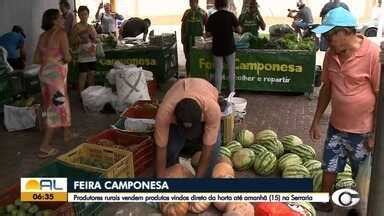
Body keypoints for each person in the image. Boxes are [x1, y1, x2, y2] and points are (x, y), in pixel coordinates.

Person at [309, 7, 380, 212]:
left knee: (362, 175)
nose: (327, 39)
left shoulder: (372, 55)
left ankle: (361, 209)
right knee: (329, 165)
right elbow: (327, 89)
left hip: (362, 131)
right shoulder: (331, 55)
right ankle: (324, 200)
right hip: (336, 127)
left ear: (347, 32)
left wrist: (375, 133)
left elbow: (380, 96)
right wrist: (316, 121)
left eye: (330, 34)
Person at [155, 78, 222, 178]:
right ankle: (173, 169)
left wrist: (197, 181)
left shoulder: (212, 110)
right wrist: (160, 180)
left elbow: (208, 148)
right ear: (175, 118)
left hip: (204, 89)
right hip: (178, 89)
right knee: (171, 149)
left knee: (213, 154)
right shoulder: (164, 112)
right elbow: (161, 147)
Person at [33, 9, 72, 158]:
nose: (63, 19)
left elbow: (36, 59)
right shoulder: (61, 33)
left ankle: (66, 132)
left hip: (45, 75)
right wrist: (62, 59)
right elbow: (67, 57)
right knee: (55, 108)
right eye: (60, 17)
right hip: (56, 76)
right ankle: (45, 146)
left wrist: (49, 60)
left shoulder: (42, 36)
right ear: (54, 20)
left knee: (52, 104)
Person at [206, 0, 241, 94]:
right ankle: (232, 92)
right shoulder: (231, 15)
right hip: (229, 46)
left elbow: (207, 34)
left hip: (217, 47)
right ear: (226, 4)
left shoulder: (212, 17)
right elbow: (239, 30)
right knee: (231, 71)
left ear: (216, 5)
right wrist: (231, 28)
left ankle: (218, 93)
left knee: (218, 71)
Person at [71, 6, 97, 97]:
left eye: (85, 14)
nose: (84, 16)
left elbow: (95, 40)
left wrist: (93, 44)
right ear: (78, 15)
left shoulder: (91, 26)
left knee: (92, 75)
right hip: (82, 55)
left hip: (91, 54)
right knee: (83, 75)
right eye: (81, 14)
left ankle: (91, 96)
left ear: (88, 15)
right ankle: (81, 96)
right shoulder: (76, 27)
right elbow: (71, 41)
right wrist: (81, 40)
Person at [181, 0, 208, 76]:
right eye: (190, 3)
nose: (191, 4)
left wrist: (205, 36)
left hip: (198, 40)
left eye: (192, 2)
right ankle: (188, 74)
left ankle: (198, 75)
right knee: (188, 58)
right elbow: (183, 26)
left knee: (198, 57)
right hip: (187, 39)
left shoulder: (203, 12)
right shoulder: (186, 13)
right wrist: (182, 37)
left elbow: (208, 26)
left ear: (197, 2)